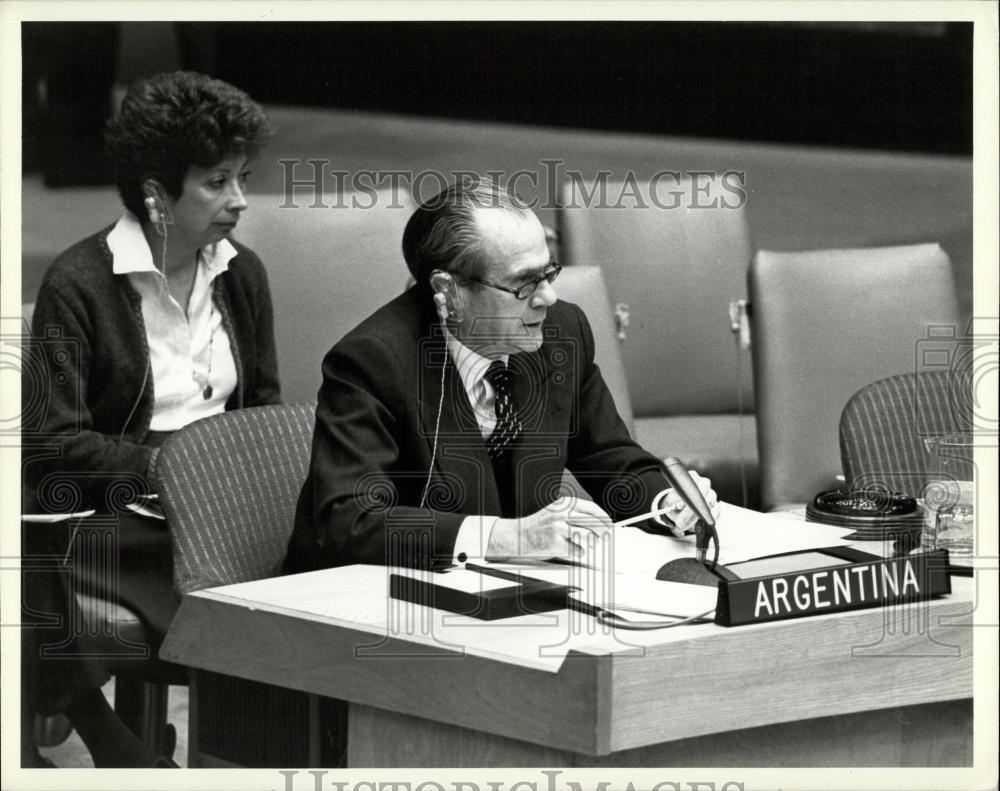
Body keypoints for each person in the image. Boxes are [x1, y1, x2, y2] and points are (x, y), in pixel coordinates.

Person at [22, 71, 280, 768]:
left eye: (242, 178)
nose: (240, 201)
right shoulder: (79, 283)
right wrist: (163, 466)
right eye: (216, 182)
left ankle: (258, 755)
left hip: (222, 495)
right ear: (155, 196)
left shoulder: (242, 273)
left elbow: (261, 405)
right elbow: (52, 444)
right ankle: (104, 730)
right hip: (116, 498)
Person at [286, 178, 718, 574]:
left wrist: (667, 501)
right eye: (524, 283)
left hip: (509, 593)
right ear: (448, 291)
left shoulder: (561, 333)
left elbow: (611, 461)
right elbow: (349, 523)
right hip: (375, 603)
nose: (548, 297)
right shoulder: (372, 362)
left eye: (549, 273)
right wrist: (505, 537)